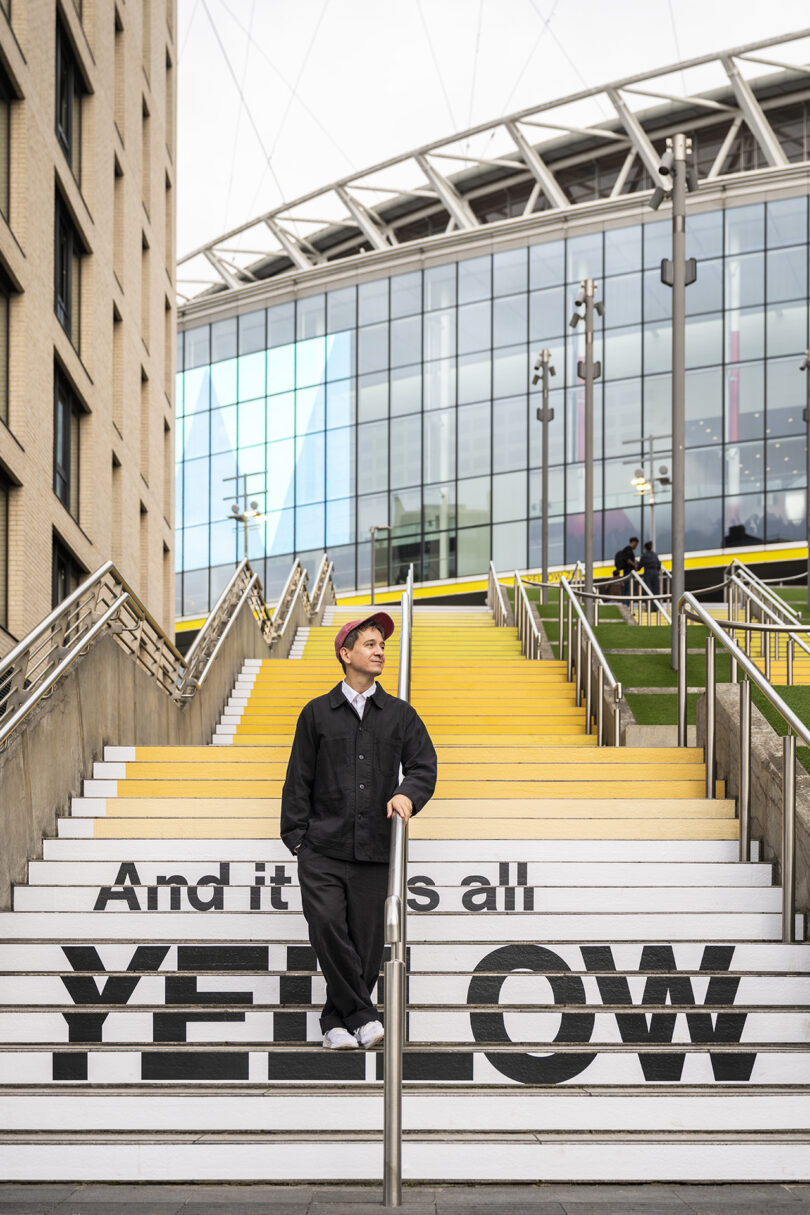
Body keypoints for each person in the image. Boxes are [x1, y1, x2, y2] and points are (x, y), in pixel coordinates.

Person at [280, 612, 437, 1051]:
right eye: (370, 644)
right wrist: (297, 838)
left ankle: (334, 1024)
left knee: (367, 945)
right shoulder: (316, 714)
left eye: (383, 645)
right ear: (346, 654)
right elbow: (298, 779)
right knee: (328, 925)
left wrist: (408, 794)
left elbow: (424, 765)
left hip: (375, 849)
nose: (380, 650)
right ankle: (365, 1016)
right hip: (322, 848)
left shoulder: (400, 715)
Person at [615, 536, 639, 602]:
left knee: (627, 588)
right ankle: (627, 604)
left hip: (627, 571)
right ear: (633, 542)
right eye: (636, 544)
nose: (636, 546)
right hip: (628, 571)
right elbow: (628, 560)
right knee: (628, 588)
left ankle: (626, 603)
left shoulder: (626, 549)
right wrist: (635, 565)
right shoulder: (628, 549)